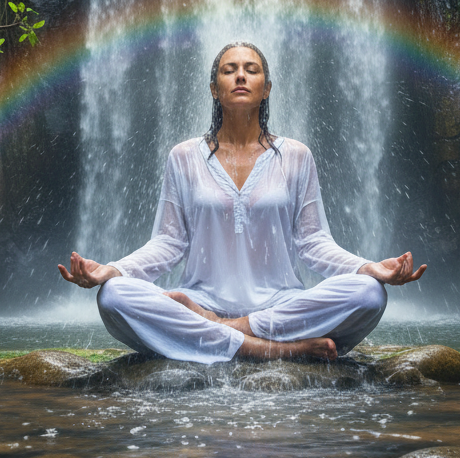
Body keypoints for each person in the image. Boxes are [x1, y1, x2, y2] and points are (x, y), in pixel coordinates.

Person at [58, 41, 426, 363]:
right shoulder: (183, 156)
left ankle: (227, 331)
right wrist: (114, 270)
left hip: (278, 304)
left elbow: (313, 243)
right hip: (198, 298)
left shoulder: (296, 156)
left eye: (251, 70)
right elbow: (168, 243)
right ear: (214, 89)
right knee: (114, 297)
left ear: (266, 88)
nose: (240, 77)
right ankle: (279, 350)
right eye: (228, 70)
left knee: (368, 294)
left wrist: (368, 268)